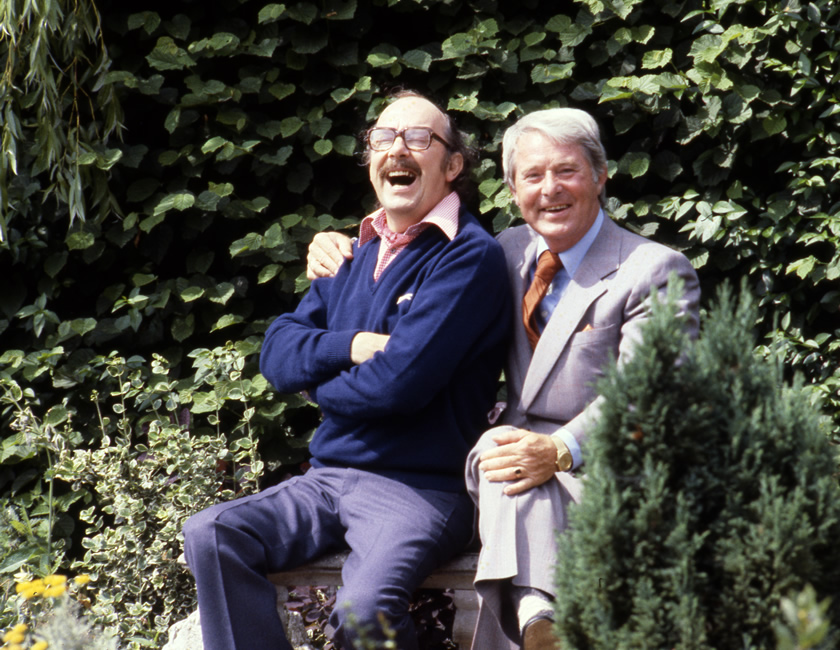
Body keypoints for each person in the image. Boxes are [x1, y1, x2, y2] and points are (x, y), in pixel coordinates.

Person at [307, 107, 701, 650]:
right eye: (532, 176)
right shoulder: (505, 253)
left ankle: (537, 610)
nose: (550, 189)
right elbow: (407, 241)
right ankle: (539, 617)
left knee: (505, 456)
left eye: (566, 171)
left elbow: (650, 394)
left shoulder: (654, 268)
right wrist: (342, 242)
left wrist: (560, 448)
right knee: (502, 454)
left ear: (600, 174)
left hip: (607, 467)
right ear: (513, 189)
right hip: (508, 471)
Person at [183, 91, 512, 650]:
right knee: (213, 533)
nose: (397, 150)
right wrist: (356, 344)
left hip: (419, 490)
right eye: (383, 138)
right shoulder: (350, 253)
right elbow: (277, 355)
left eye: (418, 138)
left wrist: (315, 382)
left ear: (452, 165)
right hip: (327, 479)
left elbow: (398, 388)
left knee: (363, 616)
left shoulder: (467, 257)